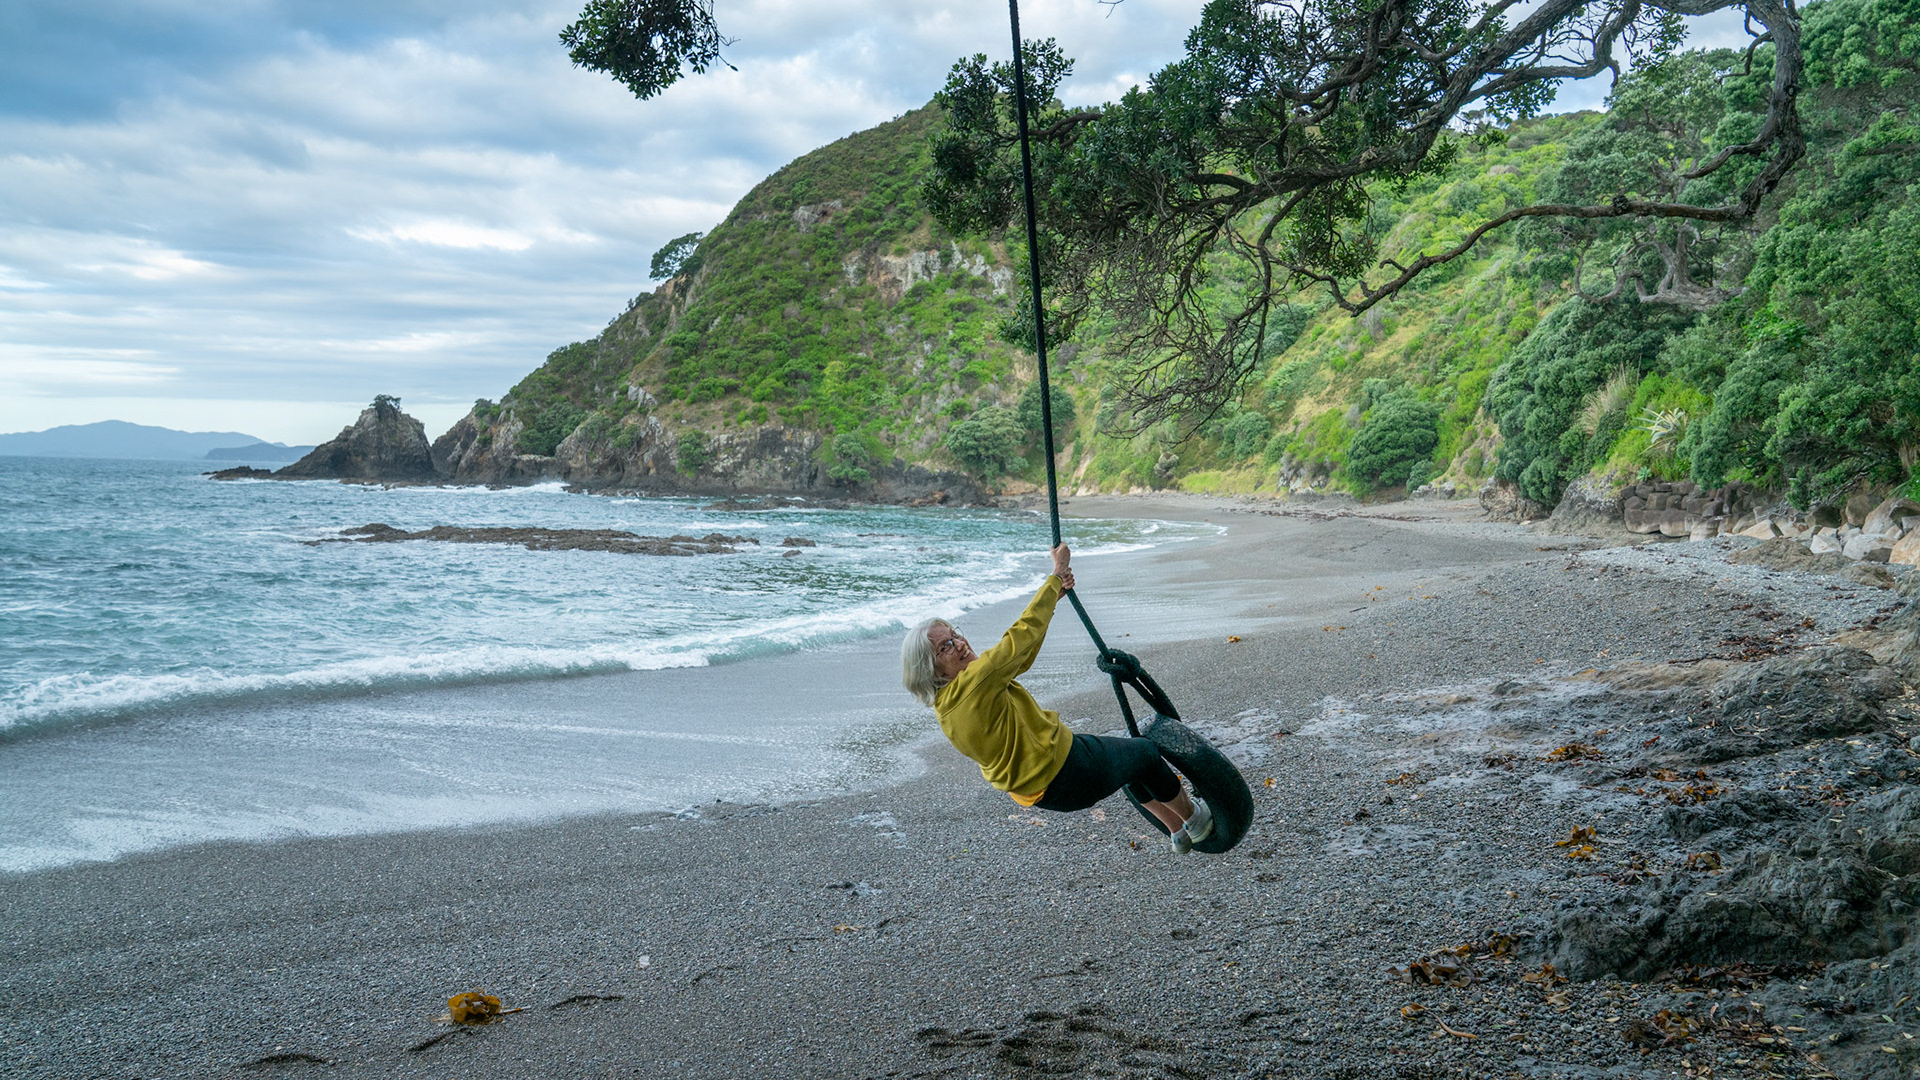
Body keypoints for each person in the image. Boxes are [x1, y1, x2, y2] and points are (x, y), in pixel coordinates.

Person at [900, 543, 1213, 852]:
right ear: (932, 671)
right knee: (1145, 754)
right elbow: (1021, 637)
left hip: (1044, 793)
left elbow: (1020, 656)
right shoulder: (978, 679)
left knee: (1127, 760)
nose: (959, 644)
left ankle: (1176, 831)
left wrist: (1055, 596)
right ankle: (1194, 820)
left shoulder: (946, 709)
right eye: (945, 647)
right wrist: (1056, 575)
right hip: (1066, 771)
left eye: (954, 634)